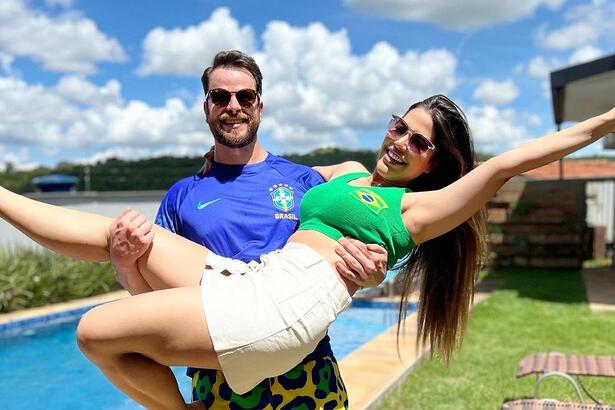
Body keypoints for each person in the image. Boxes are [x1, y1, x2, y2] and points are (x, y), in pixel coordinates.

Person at [1, 94, 613, 409]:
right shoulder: (343, 174)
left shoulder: (418, 209)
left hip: (282, 310)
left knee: (93, 330)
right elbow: (263, 172)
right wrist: (212, 166)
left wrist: (605, 121)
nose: (398, 141)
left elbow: (513, 161)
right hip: (255, 279)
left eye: (417, 141)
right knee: (125, 233)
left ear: (437, 163)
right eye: (399, 125)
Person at [106, 50, 388, 409]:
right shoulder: (182, 196)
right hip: (218, 379)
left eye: (245, 96)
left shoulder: (305, 182)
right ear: (207, 107)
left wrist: (372, 272)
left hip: (309, 372)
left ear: (260, 105)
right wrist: (124, 263)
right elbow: (153, 302)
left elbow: (350, 244)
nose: (233, 105)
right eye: (220, 96)